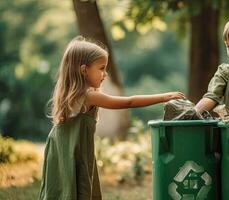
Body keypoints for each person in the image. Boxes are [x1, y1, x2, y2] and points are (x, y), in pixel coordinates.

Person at [38, 36, 184, 200]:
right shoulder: (88, 96)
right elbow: (129, 101)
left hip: (61, 148)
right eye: (101, 68)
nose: (105, 74)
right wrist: (164, 97)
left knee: (62, 190)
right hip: (70, 150)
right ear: (84, 70)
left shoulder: (69, 92)